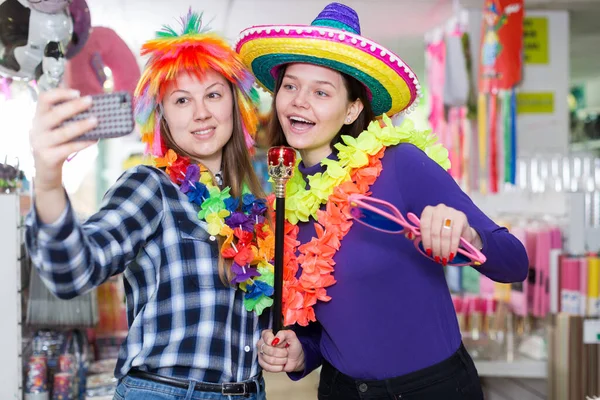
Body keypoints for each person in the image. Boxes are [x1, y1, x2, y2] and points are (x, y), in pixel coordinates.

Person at [236, 3, 529, 399]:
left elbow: (515, 262)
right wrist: (301, 351)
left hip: (431, 389)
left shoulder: (401, 164)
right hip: (341, 391)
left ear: (352, 108)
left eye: (321, 91)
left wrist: (469, 237)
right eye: (291, 86)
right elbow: (327, 319)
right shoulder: (286, 195)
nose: (299, 101)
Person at [26, 10, 274, 399]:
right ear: (162, 116)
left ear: (235, 104)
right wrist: (46, 180)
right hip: (167, 392)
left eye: (213, 94)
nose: (201, 112)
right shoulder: (150, 186)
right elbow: (73, 271)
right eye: (181, 100)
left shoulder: (253, 205)